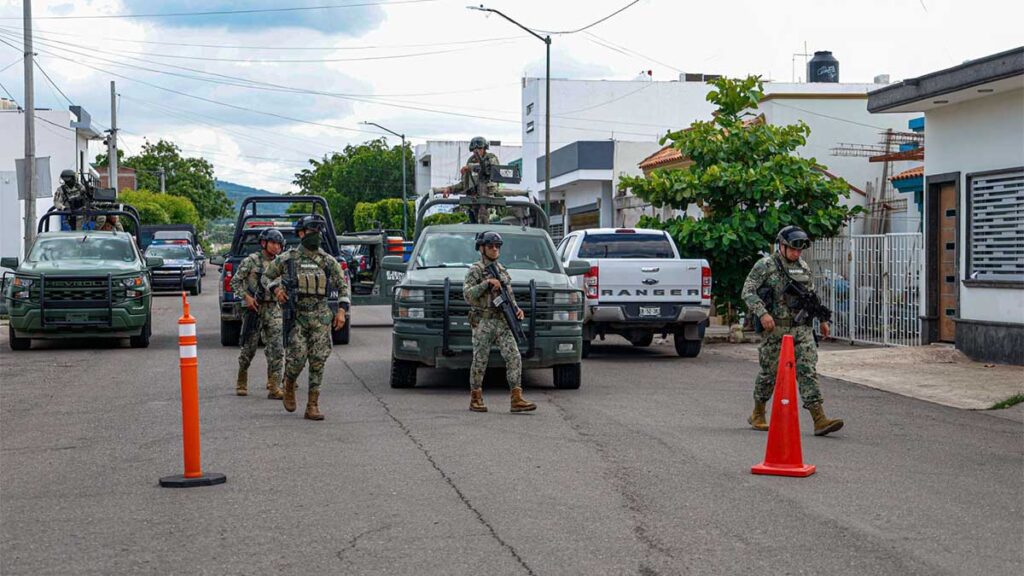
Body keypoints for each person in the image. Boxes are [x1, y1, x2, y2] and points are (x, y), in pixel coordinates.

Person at [741, 225, 844, 436]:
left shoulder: (803, 267)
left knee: (807, 370)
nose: (797, 253)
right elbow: (748, 291)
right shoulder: (765, 265)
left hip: (801, 329)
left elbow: (811, 296)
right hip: (775, 330)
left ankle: (819, 419)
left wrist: (822, 319)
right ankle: (758, 413)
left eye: (800, 250)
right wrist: (762, 313)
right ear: (782, 246)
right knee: (769, 373)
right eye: (793, 249)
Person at [264, 215, 348, 421]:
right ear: (301, 233)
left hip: (321, 317)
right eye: (311, 231)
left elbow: (343, 286)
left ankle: (312, 405)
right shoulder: (288, 258)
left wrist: (342, 311)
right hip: (298, 317)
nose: (315, 235)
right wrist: (276, 290)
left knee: (318, 361)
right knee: (297, 360)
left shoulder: (328, 261)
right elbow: (267, 276)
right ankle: (289, 383)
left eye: (318, 231)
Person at [463, 231, 536, 413]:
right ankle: (476, 398)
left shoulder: (502, 270)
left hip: (503, 321)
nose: (495, 249)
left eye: (497, 246)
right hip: (484, 321)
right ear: (482, 248)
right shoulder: (476, 270)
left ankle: (516, 398)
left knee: (514, 357)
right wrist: (486, 284)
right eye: (490, 246)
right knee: (480, 360)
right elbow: (468, 295)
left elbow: (508, 295)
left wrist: (516, 309)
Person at [232, 228, 287, 399]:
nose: (276, 247)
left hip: (273, 308)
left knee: (276, 348)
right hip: (254, 309)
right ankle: (242, 379)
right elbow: (235, 281)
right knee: (249, 348)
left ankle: (274, 385)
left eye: (279, 244)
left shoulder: (281, 262)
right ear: (264, 243)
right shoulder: (251, 261)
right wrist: (246, 297)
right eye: (273, 243)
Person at [445, 136, 500, 224]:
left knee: (487, 228)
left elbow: (489, 169)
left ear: (484, 149)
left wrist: (471, 167)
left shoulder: (491, 158)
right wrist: (450, 189)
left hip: (488, 202)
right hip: (474, 202)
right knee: (474, 227)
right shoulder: (471, 160)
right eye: (474, 149)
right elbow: (464, 184)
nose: (477, 151)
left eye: (480, 148)